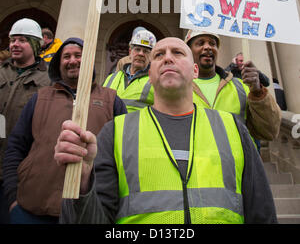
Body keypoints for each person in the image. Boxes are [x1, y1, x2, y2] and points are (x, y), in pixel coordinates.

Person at [54, 37, 277, 224]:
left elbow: (262, 212)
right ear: (150, 75)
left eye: (178, 53)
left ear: (195, 71)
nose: (168, 57)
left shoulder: (234, 129)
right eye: (159, 55)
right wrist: (82, 186)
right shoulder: (115, 133)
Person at [3, 37, 127, 224]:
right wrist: (13, 197)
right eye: (66, 56)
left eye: (78, 55)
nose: (72, 60)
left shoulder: (112, 100)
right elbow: (15, 147)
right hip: (31, 208)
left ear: (89, 61)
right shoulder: (40, 98)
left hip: (88, 211)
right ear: (58, 64)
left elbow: (124, 154)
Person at [185, 30, 281, 142]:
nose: (207, 47)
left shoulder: (241, 87)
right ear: (189, 51)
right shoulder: (178, 88)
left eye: (212, 44)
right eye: (200, 43)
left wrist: (258, 93)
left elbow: (270, 132)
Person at [0, 18, 50, 224]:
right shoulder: (1, 71)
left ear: (35, 45)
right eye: (12, 40)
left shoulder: (48, 81)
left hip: (18, 171)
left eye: (22, 40)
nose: (14, 45)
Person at [103, 28, 157, 112]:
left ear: (151, 56)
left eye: (146, 51)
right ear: (130, 52)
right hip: (111, 125)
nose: (141, 54)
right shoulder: (111, 78)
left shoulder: (156, 81)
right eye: (137, 49)